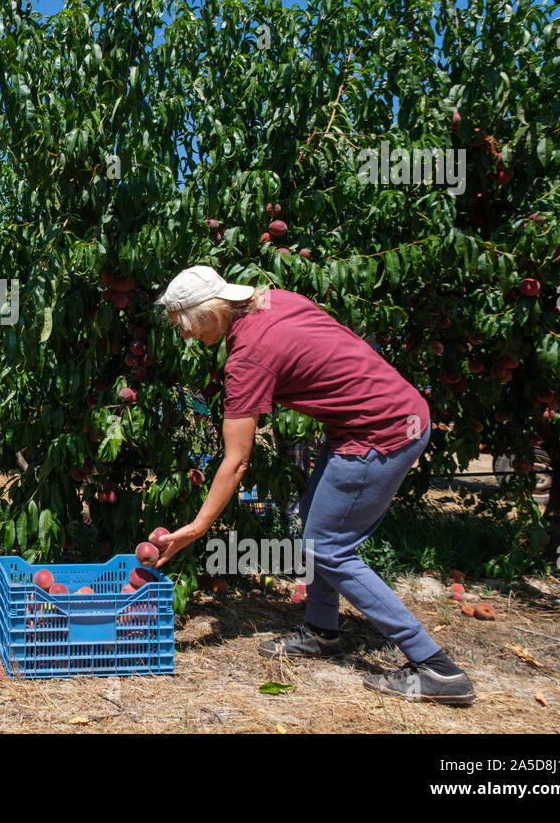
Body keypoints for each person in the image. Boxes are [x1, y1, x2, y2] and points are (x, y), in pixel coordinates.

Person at [152, 265, 475, 706]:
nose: (186, 337)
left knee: (329, 547)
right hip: (378, 418)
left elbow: (237, 460)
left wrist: (198, 525)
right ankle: (322, 631)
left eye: (184, 326)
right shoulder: (273, 301)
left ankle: (436, 667)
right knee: (314, 528)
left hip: (381, 432)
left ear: (208, 312)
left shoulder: (247, 357)